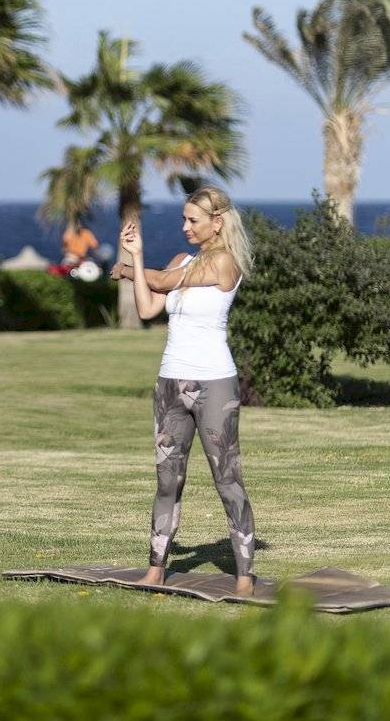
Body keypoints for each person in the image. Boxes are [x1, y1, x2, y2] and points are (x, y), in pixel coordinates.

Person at [111, 186, 256, 596]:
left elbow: (160, 281)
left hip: (214, 383)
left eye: (193, 220)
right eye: (183, 219)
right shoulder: (182, 261)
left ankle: (245, 576)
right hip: (170, 381)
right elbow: (147, 307)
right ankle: (156, 568)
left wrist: (127, 269)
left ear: (217, 222)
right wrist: (136, 257)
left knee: (227, 478)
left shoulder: (225, 262)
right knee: (166, 481)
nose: (185, 227)